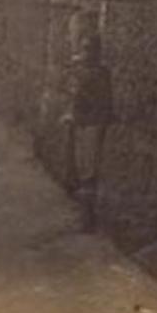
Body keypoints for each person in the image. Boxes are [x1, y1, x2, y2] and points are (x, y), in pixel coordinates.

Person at [61, 14, 113, 233]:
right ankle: (84, 214)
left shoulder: (94, 75)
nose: (84, 53)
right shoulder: (96, 72)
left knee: (87, 173)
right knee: (83, 170)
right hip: (88, 123)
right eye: (84, 49)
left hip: (90, 125)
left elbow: (84, 98)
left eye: (87, 50)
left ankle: (87, 219)